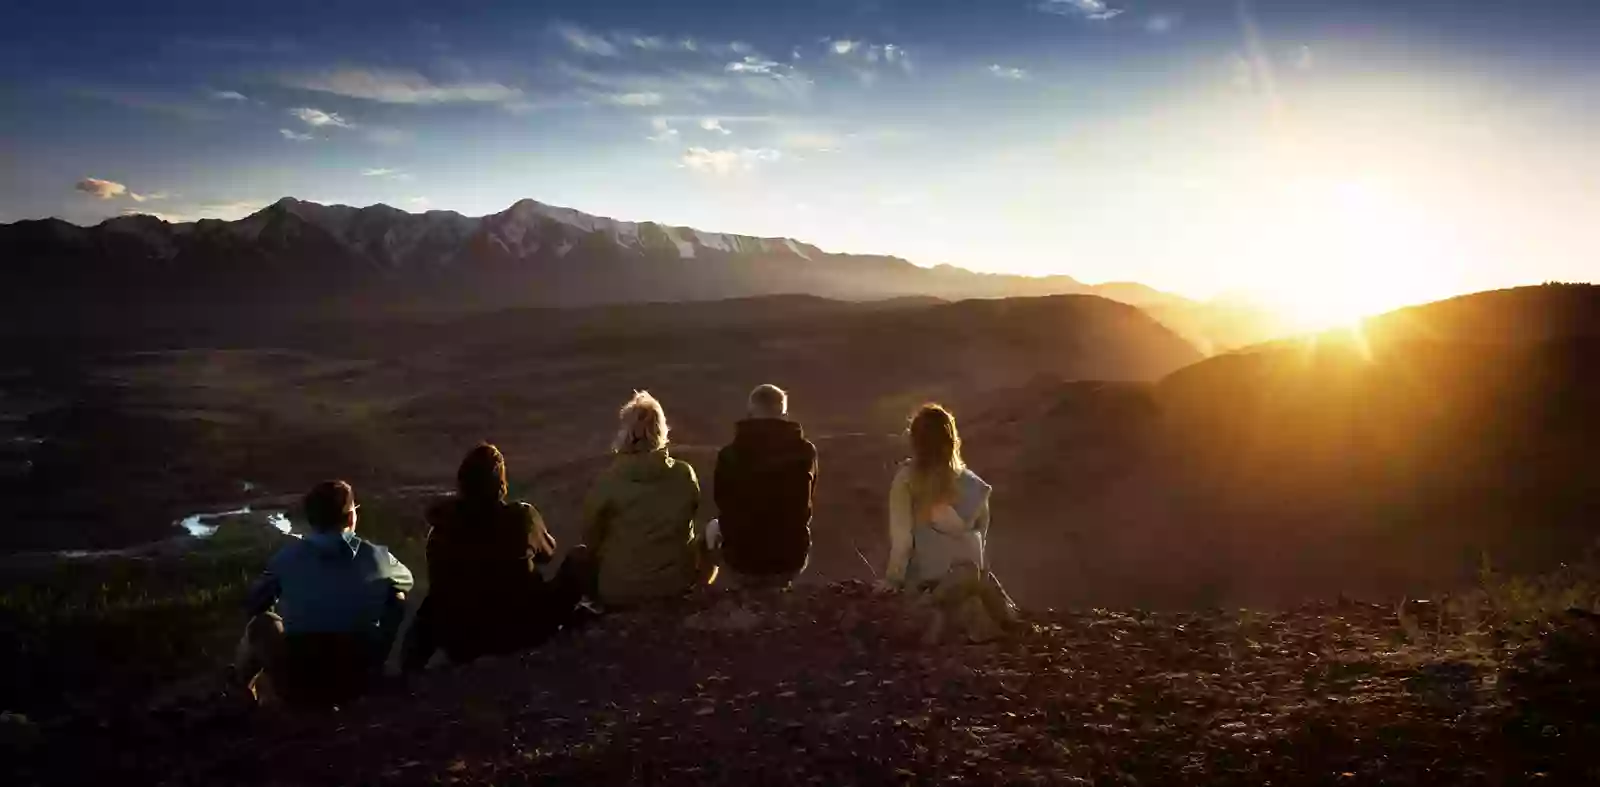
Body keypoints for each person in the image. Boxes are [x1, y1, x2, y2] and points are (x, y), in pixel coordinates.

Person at [402, 444, 585, 670]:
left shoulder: (440, 530)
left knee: (432, 603)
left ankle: (407, 672)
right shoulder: (520, 518)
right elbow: (548, 553)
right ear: (501, 483)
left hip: (461, 641)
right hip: (521, 629)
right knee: (580, 557)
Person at [234, 480, 414, 707]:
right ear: (351, 518)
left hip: (300, 681)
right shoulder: (377, 556)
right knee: (397, 598)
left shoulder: (286, 559)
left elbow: (255, 603)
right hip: (357, 674)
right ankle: (376, 669)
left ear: (310, 520)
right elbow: (407, 582)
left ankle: (242, 691)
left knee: (263, 624)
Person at [878, 404, 1018, 642]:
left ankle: (934, 608)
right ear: (952, 440)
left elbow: (903, 541)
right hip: (966, 573)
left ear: (915, 441)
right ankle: (1004, 618)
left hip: (923, 580)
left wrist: (892, 580)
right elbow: (978, 544)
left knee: (937, 597)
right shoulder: (975, 487)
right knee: (975, 581)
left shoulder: (906, 481)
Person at [577, 391, 704, 608]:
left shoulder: (609, 480)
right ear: (661, 431)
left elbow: (590, 535)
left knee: (578, 556)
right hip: (675, 584)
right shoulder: (684, 473)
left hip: (620, 590)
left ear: (625, 434)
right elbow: (691, 515)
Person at [712, 384, 817, 589]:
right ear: (783, 413)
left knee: (713, 526)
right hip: (790, 560)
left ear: (750, 413)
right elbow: (807, 499)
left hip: (740, 561)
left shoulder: (728, 455)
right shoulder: (806, 452)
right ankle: (779, 593)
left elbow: (721, 501)